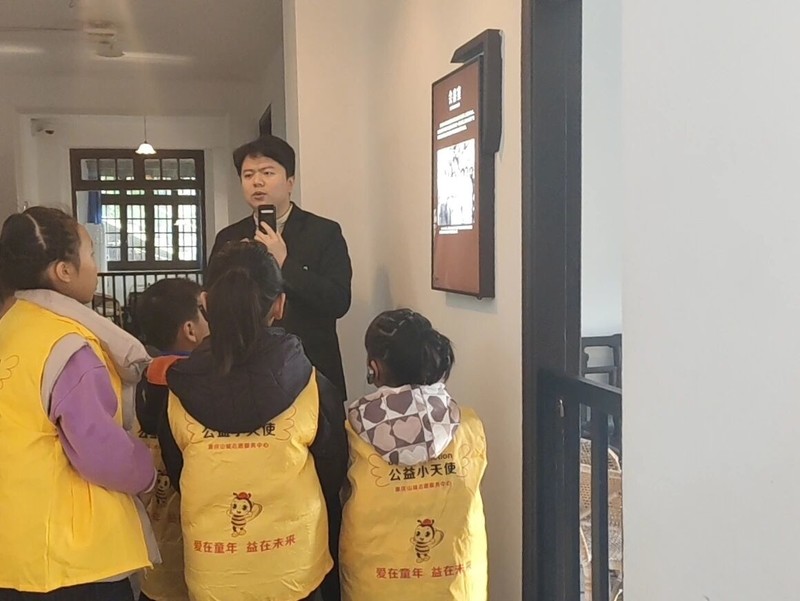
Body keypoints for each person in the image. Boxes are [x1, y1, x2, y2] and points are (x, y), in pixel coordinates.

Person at [159, 240, 347, 601]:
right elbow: (331, 472)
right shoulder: (312, 384)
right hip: (294, 569)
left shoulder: (179, 389)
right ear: (279, 305)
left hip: (214, 573)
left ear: (206, 302)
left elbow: (178, 470)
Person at [0, 207, 158, 600]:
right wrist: (147, 474)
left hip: (13, 552)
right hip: (74, 559)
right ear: (64, 271)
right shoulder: (68, 346)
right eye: (90, 254)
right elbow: (99, 450)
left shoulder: (9, 330)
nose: (97, 267)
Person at [339, 309, 488, 601]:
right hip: (456, 586)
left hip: (376, 586)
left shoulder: (354, 431)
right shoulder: (469, 425)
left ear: (374, 368)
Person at [210, 135, 352, 398]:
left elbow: (338, 301)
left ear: (290, 182)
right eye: (248, 175)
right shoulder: (229, 238)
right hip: (242, 372)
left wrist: (285, 264)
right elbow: (213, 300)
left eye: (267, 172)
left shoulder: (324, 232)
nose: (257, 182)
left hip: (311, 370)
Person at [134, 278, 209, 601]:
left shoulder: (139, 380)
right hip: (201, 551)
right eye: (205, 312)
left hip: (151, 551)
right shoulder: (201, 385)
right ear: (190, 330)